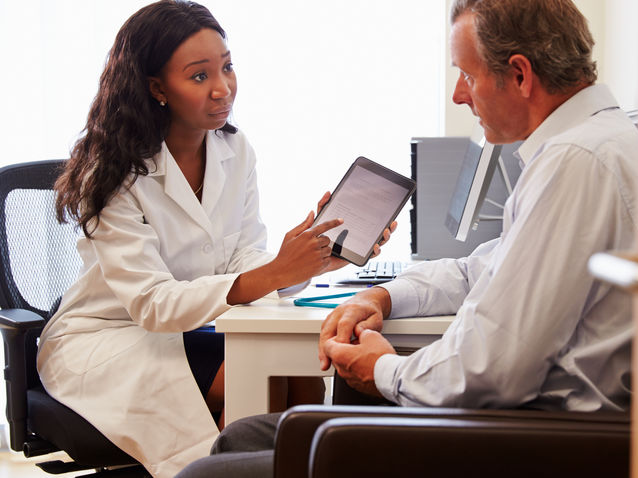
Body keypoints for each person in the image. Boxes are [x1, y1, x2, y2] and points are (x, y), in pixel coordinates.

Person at [175, 0, 638, 476]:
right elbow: (477, 270)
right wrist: (382, 296)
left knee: (204, 472)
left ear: (519, 75)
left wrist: (382, 371)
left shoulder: (576, 164)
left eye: (467, 75)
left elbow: (489, 373)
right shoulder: (590, 147)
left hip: (531, 438)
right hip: (519, 420)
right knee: (240, 436)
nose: (460, 95)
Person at [36, 1, 391, 477]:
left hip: (191, 327)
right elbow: (152, 304)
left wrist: (314, 260)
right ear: (157, 87)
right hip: (111, 338)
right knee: (255, 375)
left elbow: (242, 254)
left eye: (227, 66)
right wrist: (273, 272)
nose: (223, 88)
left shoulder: (232, 148)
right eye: (199, 76)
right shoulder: (114, 172)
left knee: (301, 372)